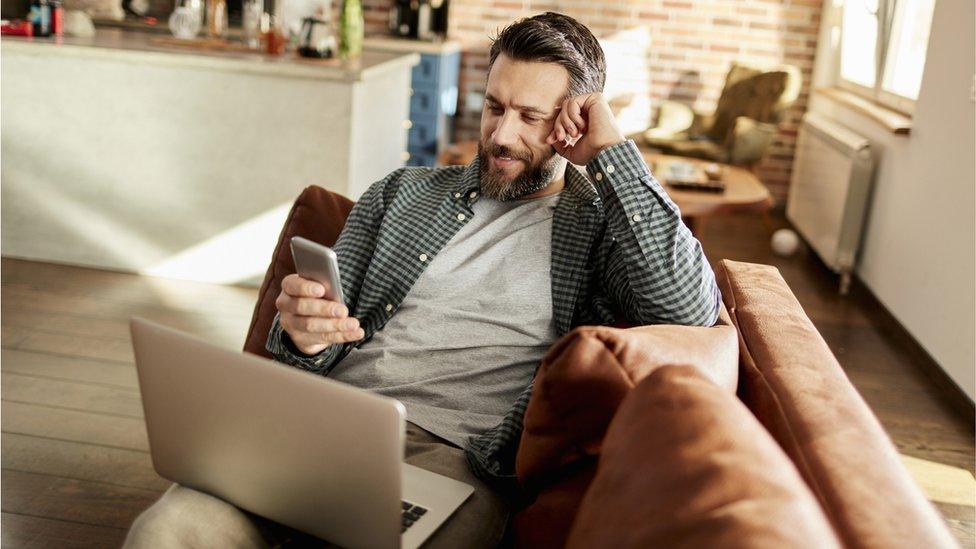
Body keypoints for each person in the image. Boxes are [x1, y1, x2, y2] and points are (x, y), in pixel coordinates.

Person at [124, 11, 720, 548]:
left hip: (456, 461)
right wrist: (304, 335)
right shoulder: (401, 194)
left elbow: (689, 307)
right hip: (321, 427)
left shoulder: (599, 229)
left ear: (576, 118)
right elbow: (314, 345)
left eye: (531, 117)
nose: (503, 135)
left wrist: (611, 149)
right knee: (167, 531)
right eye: (495, 107)